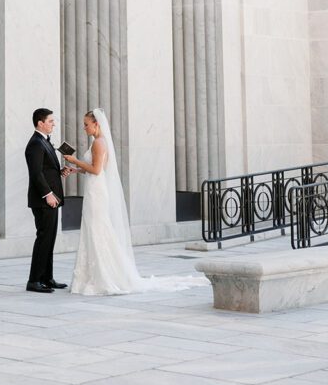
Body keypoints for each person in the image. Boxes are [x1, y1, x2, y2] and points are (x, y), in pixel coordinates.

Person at [63, 108, 198, 296]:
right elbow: (96, 169)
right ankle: (92, 275)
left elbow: (95, 170)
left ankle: (103, 276)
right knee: (93, 229)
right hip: (94, 188)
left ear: (96, 124)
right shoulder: (98, 142)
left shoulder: (99, 143)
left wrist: (75, 160)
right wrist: (75, 170)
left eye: (86, 124)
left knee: (97, 229)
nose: (83, 128)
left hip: (96, 192)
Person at [24, 108, 71, 293]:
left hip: (52, 199)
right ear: (40, 123)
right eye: (51, 121)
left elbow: (45, 170)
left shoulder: (45, 142)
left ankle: (47, 278)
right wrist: (48, 194)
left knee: (50, 239)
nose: (53, 124)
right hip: (44, 200)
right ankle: (34, 280)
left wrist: (60, 172)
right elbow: (36, 174)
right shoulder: (35, 143)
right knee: (43, 238)